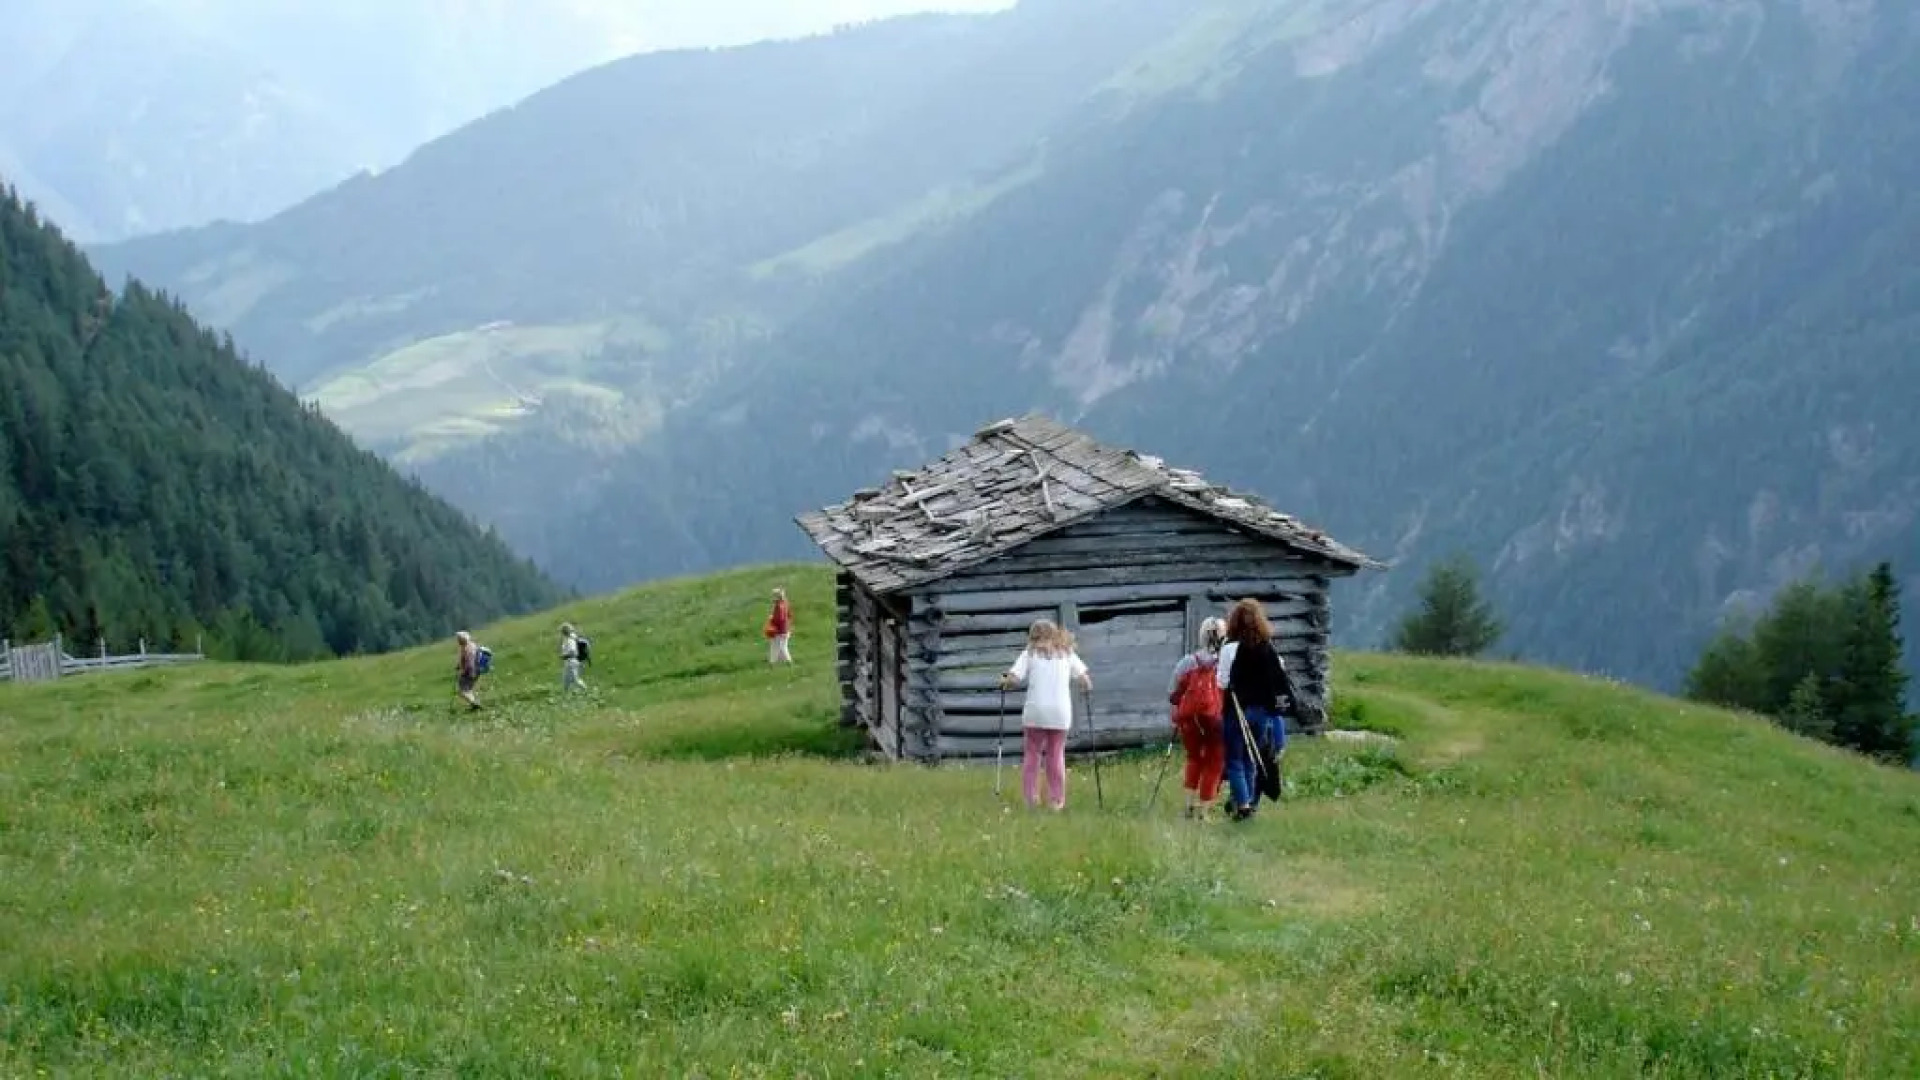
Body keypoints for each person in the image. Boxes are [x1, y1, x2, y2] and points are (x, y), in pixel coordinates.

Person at [998, 619, 1091, 811]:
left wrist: (1004, 681)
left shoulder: (1030, 654)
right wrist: (1086, 686)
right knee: (1056, 754)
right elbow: (1084, 679)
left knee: (1032, 754)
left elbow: (1013, 678)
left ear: (1032, 637)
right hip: (1060, 713)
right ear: (1055, 634)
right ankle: (1056, 801)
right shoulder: (1066, 653)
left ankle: (1031, 799)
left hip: (1035, 712)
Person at [1218, 599, 1288, 821]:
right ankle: (1250, 804)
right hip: (1261, 713)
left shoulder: (1230, 648)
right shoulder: (1267, 648)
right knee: (1251, 759)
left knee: (1235, 760)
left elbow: (1221, 682)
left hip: (1237, 710)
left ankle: (1243, 804)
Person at [1167, 617, 1228, 819]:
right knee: (1214, 763)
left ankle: (1187, 807)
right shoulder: (1225, 662)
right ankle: (1204, 812)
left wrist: (1177, 713)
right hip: (1215, 719)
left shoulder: (1188, 661)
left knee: (1194, 759)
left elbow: (1173, 693)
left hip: (1189, 720)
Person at [454, 630, 481, 711]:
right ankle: (474, 705)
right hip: (476, 671)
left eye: (458, 639)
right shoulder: (472, 645)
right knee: (468, 690)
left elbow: (469, 663)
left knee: (462, 691)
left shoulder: (466, 649)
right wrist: (459, 665)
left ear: (462, 640)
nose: (457, 641)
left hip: (469, 672)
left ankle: (475, 703)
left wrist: (463, 671)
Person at [765, 588, 793, 664]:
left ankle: (773, 664)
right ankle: (785, 662)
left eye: (773, 596)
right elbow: (789, 615)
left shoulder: (778, 606)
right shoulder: (786, 603)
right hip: (786, 629)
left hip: (779, 630)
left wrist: (772, 618)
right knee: (782, 646)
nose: (772, 598)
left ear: (777, 597)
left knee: (776, 647)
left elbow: (780, 618)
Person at [560, 623, 588, 692]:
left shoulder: (570, 640)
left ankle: (585, 689)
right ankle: (565, 693)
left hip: (572, 662)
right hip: (569, 662)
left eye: (563, 630)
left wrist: (564, 656)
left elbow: (573, 652)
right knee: (565, 679)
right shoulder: (568, 638)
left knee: (575, 680)